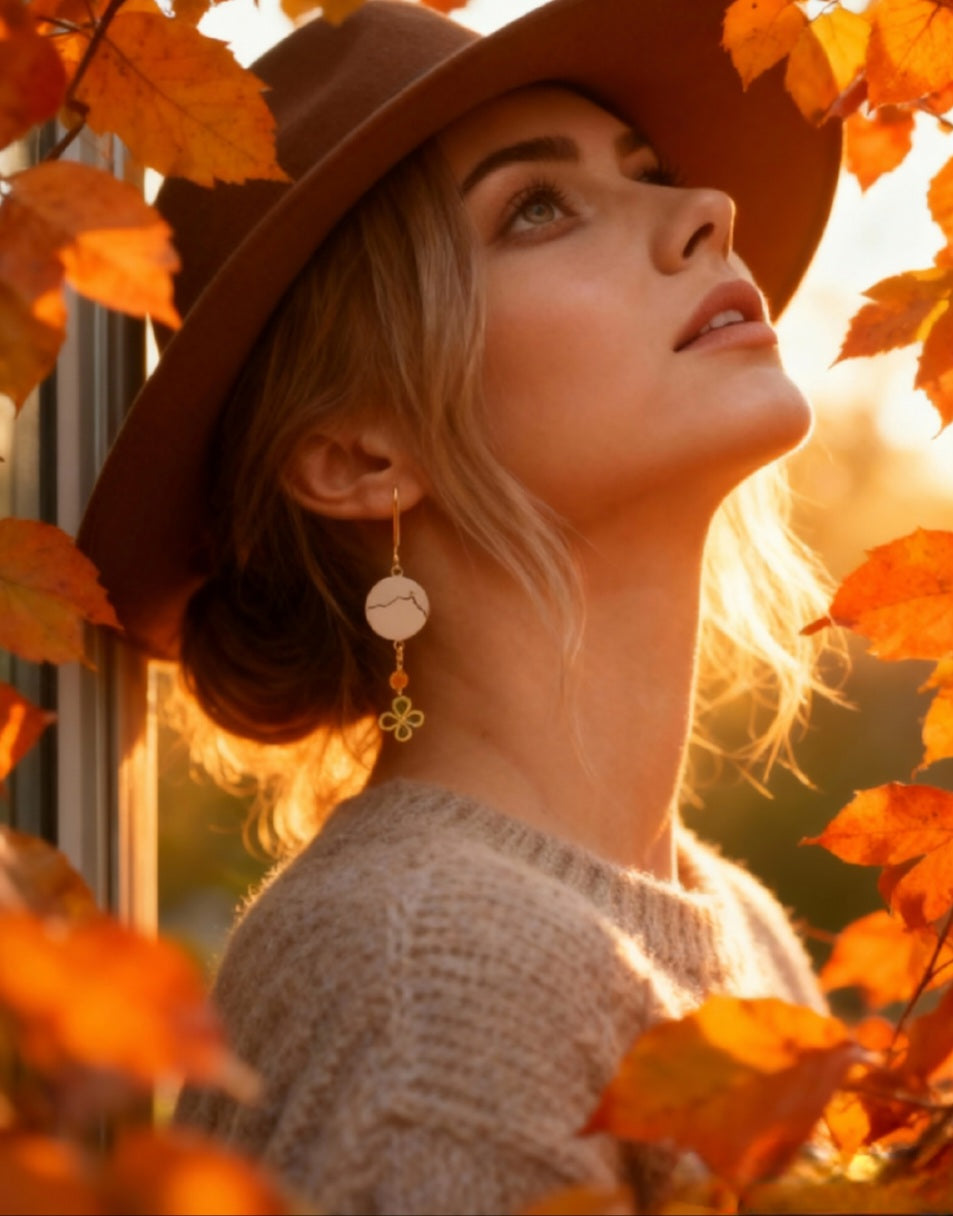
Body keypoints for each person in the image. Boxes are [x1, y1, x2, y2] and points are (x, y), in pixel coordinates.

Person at [78, 0, 845, 1211]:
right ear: (358, 453)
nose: (708, 212)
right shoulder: (427, 973)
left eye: (650, 173)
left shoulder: (734, 925)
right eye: (535, 208)